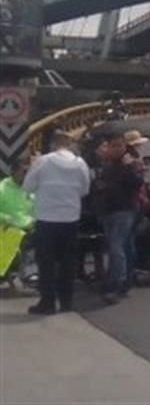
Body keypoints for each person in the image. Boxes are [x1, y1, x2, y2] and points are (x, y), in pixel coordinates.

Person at [21, 132, 91, 315]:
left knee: (46, 262)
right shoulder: (80, 163)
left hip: (46, 218)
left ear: (53, 144)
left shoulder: (43, 162)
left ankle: (48, 302)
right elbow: (85, 189)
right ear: (69, 145)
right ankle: (67, 301)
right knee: (68, 261)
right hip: (71, 217)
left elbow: (27, 186)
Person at [91, 132, 142, 303]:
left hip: (124, 210)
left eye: (119, 145)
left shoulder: (130, 164)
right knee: (125, 246)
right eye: (113, 145)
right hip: (109, 211)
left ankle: (116, 284)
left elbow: (137, 183)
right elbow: (100, 187)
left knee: (116, 247)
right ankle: (126, 280)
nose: (116, 149)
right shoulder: (107, 165)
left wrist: (129, 167)